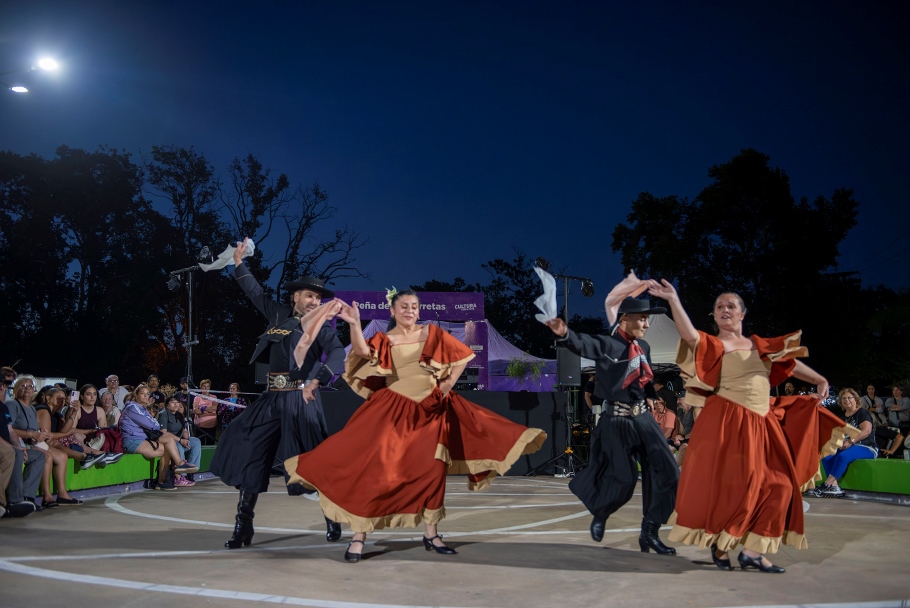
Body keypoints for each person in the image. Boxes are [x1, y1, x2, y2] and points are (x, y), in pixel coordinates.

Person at [286, 290, 546, 562]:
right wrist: (353, 324)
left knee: (431, 472)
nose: (409, 310)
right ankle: (359, 535)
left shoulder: (433, 334)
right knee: (374, 470)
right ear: (393, 312)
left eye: (413, 306)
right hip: (391, 409)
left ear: (418, 311)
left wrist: (445, 386)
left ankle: (431, 534)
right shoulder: (385, 339)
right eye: (403, 306)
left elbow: (463, 357)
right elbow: (362, 352)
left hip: (431, 410)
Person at [648, 280, 853, 573]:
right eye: (719, 306)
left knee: (781, 485)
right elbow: (690, 335)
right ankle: (723, 544)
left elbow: (791, 365)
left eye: (730, 305)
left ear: (742, 313)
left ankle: (753, 552)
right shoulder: (715, 344)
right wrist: (673, 299)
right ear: (714, 315)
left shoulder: (760, 346)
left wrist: (819, 380)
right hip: (728, 424)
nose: (724, 309)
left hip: (763, 423)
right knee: (737, 489)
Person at [211, 238, 348, 549]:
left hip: (301, 401)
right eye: (310, 295)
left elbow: (338, 353)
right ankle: (243, 527)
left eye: (318, 297)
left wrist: (321, 378)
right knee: (248, 449)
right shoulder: (277, 314)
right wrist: (237, 262)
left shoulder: (323, 329)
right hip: (272, 399)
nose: (315, 301)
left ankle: (332, 517)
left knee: (313, 464)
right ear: (295, 296)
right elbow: (254, 291)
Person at [545, 272, 679, 556]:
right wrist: (564, 333)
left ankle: (650, 532)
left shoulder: (644, 346)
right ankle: (601, 512)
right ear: (624, 320)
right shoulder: (607, 345)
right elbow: (584, 344)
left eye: (647, 319)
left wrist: (654, 400)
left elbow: (644, 379)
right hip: (616, 421)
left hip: (643, 417)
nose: (646, 323)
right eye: (641, 319)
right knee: (624, 478)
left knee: (668, 471)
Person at [120, 385, 197, 490]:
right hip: (133, 441)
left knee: (168, 445)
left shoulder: (143, 409)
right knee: (168, 443)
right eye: (142, 393)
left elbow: (154, 424)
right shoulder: (132, 407)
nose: (146, 396)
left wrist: (152, 422)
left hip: (143, 439)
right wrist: (152, 422)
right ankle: (177, 466)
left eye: (148, 394)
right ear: (136, 395)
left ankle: (163, 480)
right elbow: (152, 424)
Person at [809, 388, 877, 498]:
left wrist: (850, 441)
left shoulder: (862, 412)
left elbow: (867, 431)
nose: (846, 400)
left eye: (849, 397)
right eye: (843, 398)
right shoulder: (842, 416)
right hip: (848, 446)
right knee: (827, 455)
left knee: (842, 456)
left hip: (866, 446)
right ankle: (835, 487)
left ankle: (826, 484)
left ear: (856, 399)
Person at [3, 376, 46, 513]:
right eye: (22, 385)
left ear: (34, 390)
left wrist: (38, 436)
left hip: (25, 444)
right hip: (12, 444)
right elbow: (9, 429)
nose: (26, 388)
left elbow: (32, 431)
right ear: (15, 389)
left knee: (40, 456)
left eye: (30, 386)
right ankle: (15, 499)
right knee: (17, 454)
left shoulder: (32, 409)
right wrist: (31, 435)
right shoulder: (12, 404)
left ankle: (28, 496)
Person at [158, 397, 201, 487]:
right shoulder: (163, 414)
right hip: (169, 441)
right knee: (179, 446)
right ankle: (181, 476)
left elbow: (185, 432)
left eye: (177, 402)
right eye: (173, 402)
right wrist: (181, 440)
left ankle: (191, 471)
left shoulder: (179, 415)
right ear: (167, 404)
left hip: (180, 440)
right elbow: (164, 433)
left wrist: (186, 438)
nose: (176, 405)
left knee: (196, 441)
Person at [191, 379, 217, 445]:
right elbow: (195, 410)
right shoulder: (197, 398)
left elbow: (214, 408)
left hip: (211, 425)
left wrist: (203, 408)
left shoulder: (214, 397)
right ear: (201, 387)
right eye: (204, 386)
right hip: (199, 426)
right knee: (199, 445)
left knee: (210, 444)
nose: (206, 388)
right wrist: (208, 409)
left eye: (207, 386)